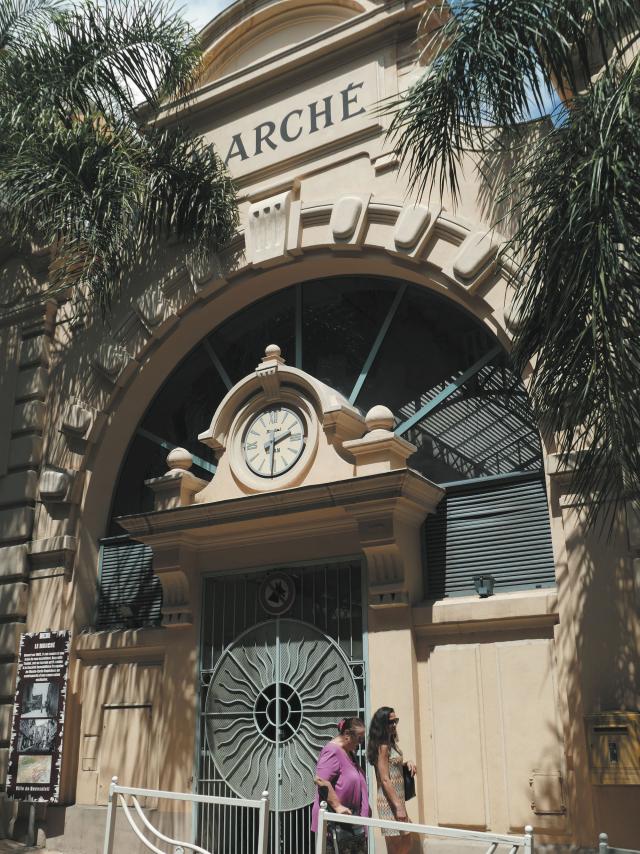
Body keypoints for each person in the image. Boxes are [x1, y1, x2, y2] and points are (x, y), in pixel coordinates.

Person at [311, 717, 370, 854]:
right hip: (337, 826)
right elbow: (320, 780)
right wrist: (337, 806)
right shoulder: (332, 751)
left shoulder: (348, 752)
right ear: (347, 735)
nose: (361, 743)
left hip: (351, 824)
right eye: (360, 739)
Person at [367, 707, 417, 854]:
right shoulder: (382, 747)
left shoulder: (391, 743)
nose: (394, 724)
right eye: (391, 722)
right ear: (382, 724)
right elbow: (385, 779)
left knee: (400, 844)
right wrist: (398, 806)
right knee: (402, 843)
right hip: (389, 803)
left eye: (396, 721)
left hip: (397, 801)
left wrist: (406, 763)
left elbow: (392, 766)